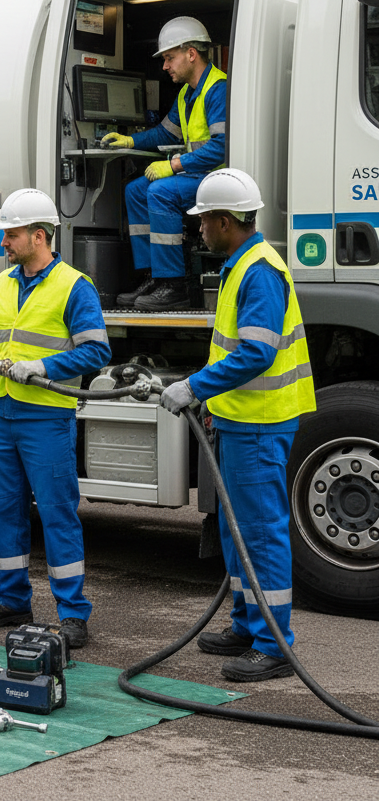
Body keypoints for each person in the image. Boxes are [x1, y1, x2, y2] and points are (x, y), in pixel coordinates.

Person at [159, 169, 315, 682]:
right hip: (239, 418)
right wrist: (211, 398)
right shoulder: (241, 264)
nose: (198, 229)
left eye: (203, 221)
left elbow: (255, 352)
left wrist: (196, 386)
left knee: (261, 533)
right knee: (235, 528)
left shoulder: (259, 271)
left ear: (225, 221)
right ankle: (249, 623)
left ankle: (273, 644)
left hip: (259, 422)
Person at [0, 188, 111, 648]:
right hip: (3, 412)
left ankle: (73, 615)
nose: (5, 242)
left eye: (12, 234)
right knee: (4, 510)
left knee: (57, 514)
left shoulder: (74, 286)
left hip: (46, 415)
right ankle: (12, 599)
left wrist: (42, 367)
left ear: (39, 236)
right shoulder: (3, 283)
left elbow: (96, 349)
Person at [102, 16, 227, 311]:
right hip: (195, 174)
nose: (165, 66)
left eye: (170, 58)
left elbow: (221, 148)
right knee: (135, 190)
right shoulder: (186, 94)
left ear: (191, 54)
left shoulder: (217, 90)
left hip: (214, 179)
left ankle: (174, 285)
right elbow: (164, 132)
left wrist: (172, 166)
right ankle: (154, 276)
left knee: (160, 191)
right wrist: (130, 141)